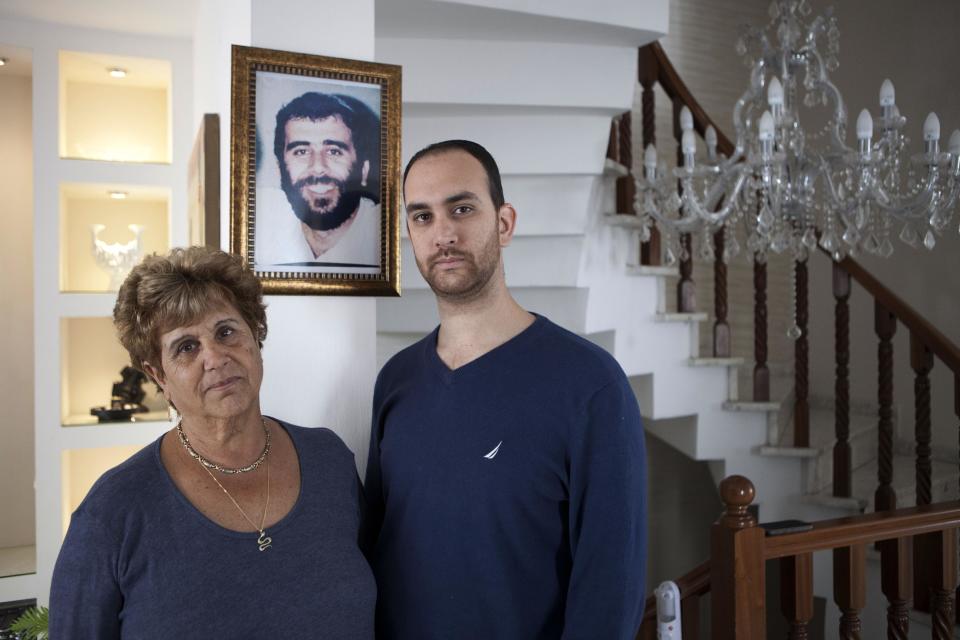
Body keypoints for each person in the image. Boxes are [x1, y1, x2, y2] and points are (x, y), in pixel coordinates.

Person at [364, 140, 647, 639]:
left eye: (462, 208)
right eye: (423, 217)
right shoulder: (396, 381)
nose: (443, 233)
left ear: (504, 222)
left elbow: (609, 591)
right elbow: (376, 553)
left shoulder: (591, 385)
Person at [50, 246, 375, 638]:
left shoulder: (329, 460)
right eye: (186, 347)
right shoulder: (112, 513)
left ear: (255, 337)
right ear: (158, 375)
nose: (215, 357)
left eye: (226, 332)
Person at [255, 91, 381, 271]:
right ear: (279, 168)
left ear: (364, 170)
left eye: (334, 151)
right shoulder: (262, 228)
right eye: (301, 151)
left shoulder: (382, 238)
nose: (318, 167)